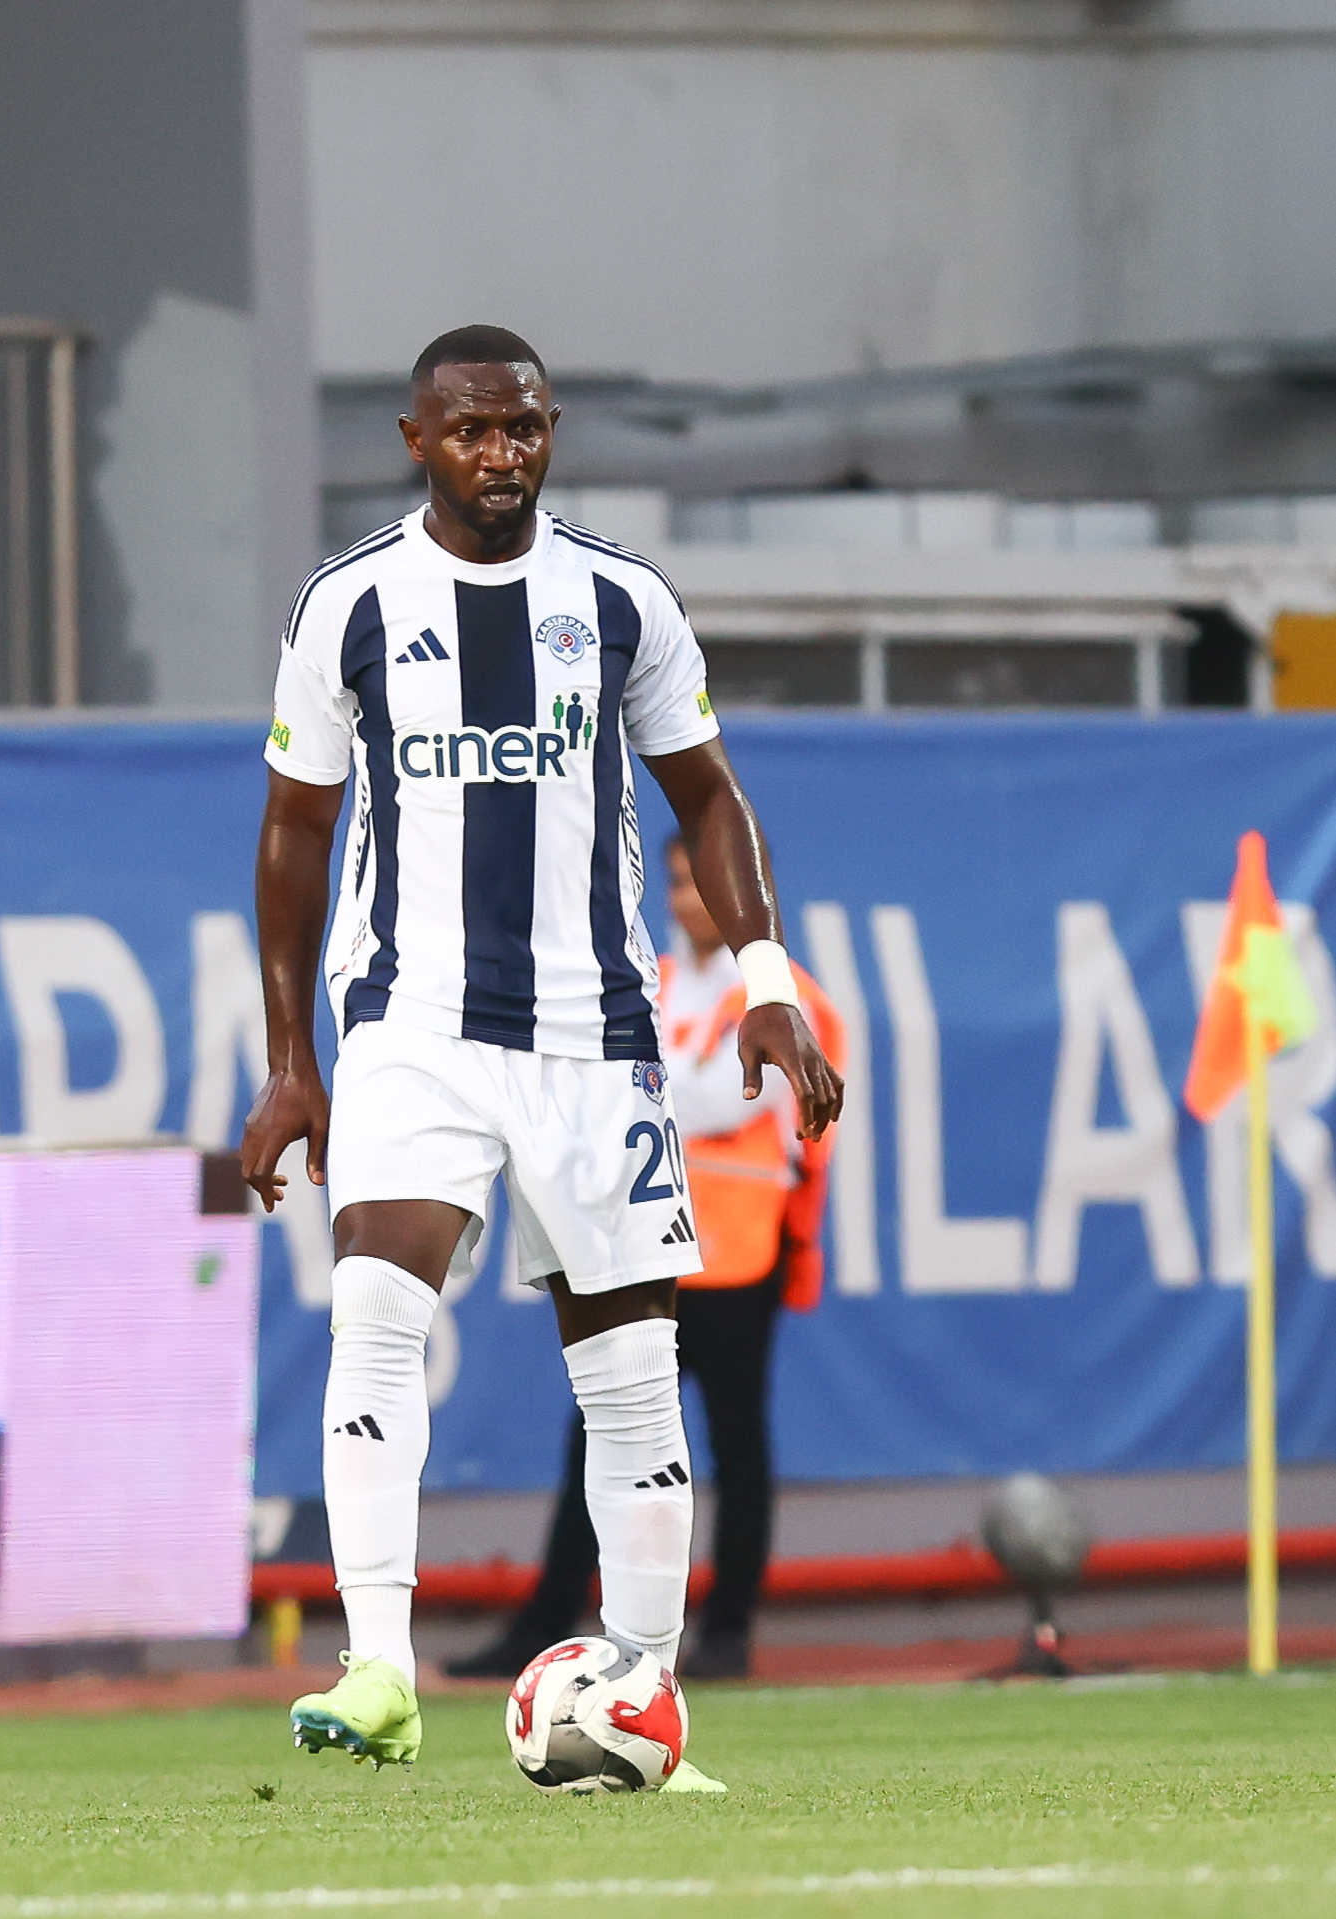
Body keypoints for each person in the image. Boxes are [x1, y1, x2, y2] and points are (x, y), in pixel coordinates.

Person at [241, 323, 843, 1790]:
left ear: (551, 430)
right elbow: (295, 830)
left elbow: (709, 796)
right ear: (416, 441)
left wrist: (764, 978)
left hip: (594, 1034)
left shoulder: (623, 600)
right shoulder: (348, 603)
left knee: (633, 1375)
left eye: (522, 427)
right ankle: (379, 1666)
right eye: (470, 429)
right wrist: (291, 1057)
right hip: (412, 1019)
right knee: (374, 1305)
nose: (500, 453)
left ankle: (646, 1699)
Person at [446, 835, 845, 1684]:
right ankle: (548, 1619)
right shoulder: (649, 979)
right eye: (675, 881)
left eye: (702, 882)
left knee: (735, 1442)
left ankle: (727, 1630)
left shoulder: (782, 999)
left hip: (736, 1250)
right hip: (642, 1241)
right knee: (598, 1432)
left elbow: (710, 1098)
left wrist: (638, 1084)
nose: (686, 898)